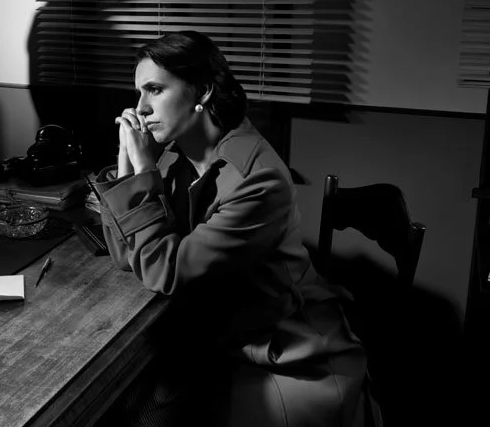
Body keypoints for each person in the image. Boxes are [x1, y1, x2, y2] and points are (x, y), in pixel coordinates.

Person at [93, 31, 376, 427]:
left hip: (282, 349)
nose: (140, 108)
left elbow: (163, 271)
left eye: (154, 90)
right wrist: (127, 165)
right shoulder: (177, 155)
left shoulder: (259, 180)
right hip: (215, 333)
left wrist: (142, 173)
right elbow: (129, 258)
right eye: (139, 92)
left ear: (203, 91)